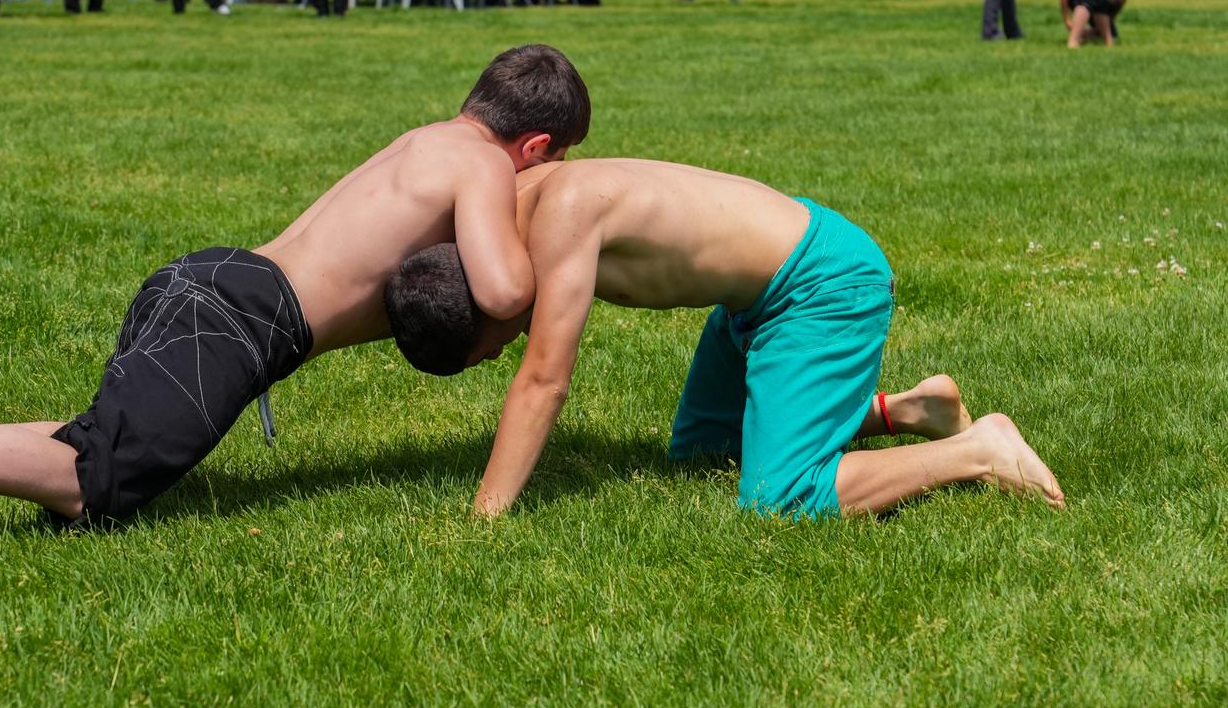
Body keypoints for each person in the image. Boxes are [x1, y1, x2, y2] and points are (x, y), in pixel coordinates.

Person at [0, 45, 595, 544]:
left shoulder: (429, 139)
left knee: (95, 450)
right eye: (549, 162)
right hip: (245, 315)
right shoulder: (484, 164)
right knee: (98, 479)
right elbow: (501, 285)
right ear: (535, 144)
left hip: (214, 280)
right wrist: (556, 224)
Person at [385, 160, 1063, 520]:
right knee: (704, 452)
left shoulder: (559, 215)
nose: (506, 347)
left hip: (820, 286)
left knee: (783, 499)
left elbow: (544, 380)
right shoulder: (508, 201)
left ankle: (979, 450)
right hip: (755, 302)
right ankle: (908, 410)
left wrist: (484, 517)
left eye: (490, 344)